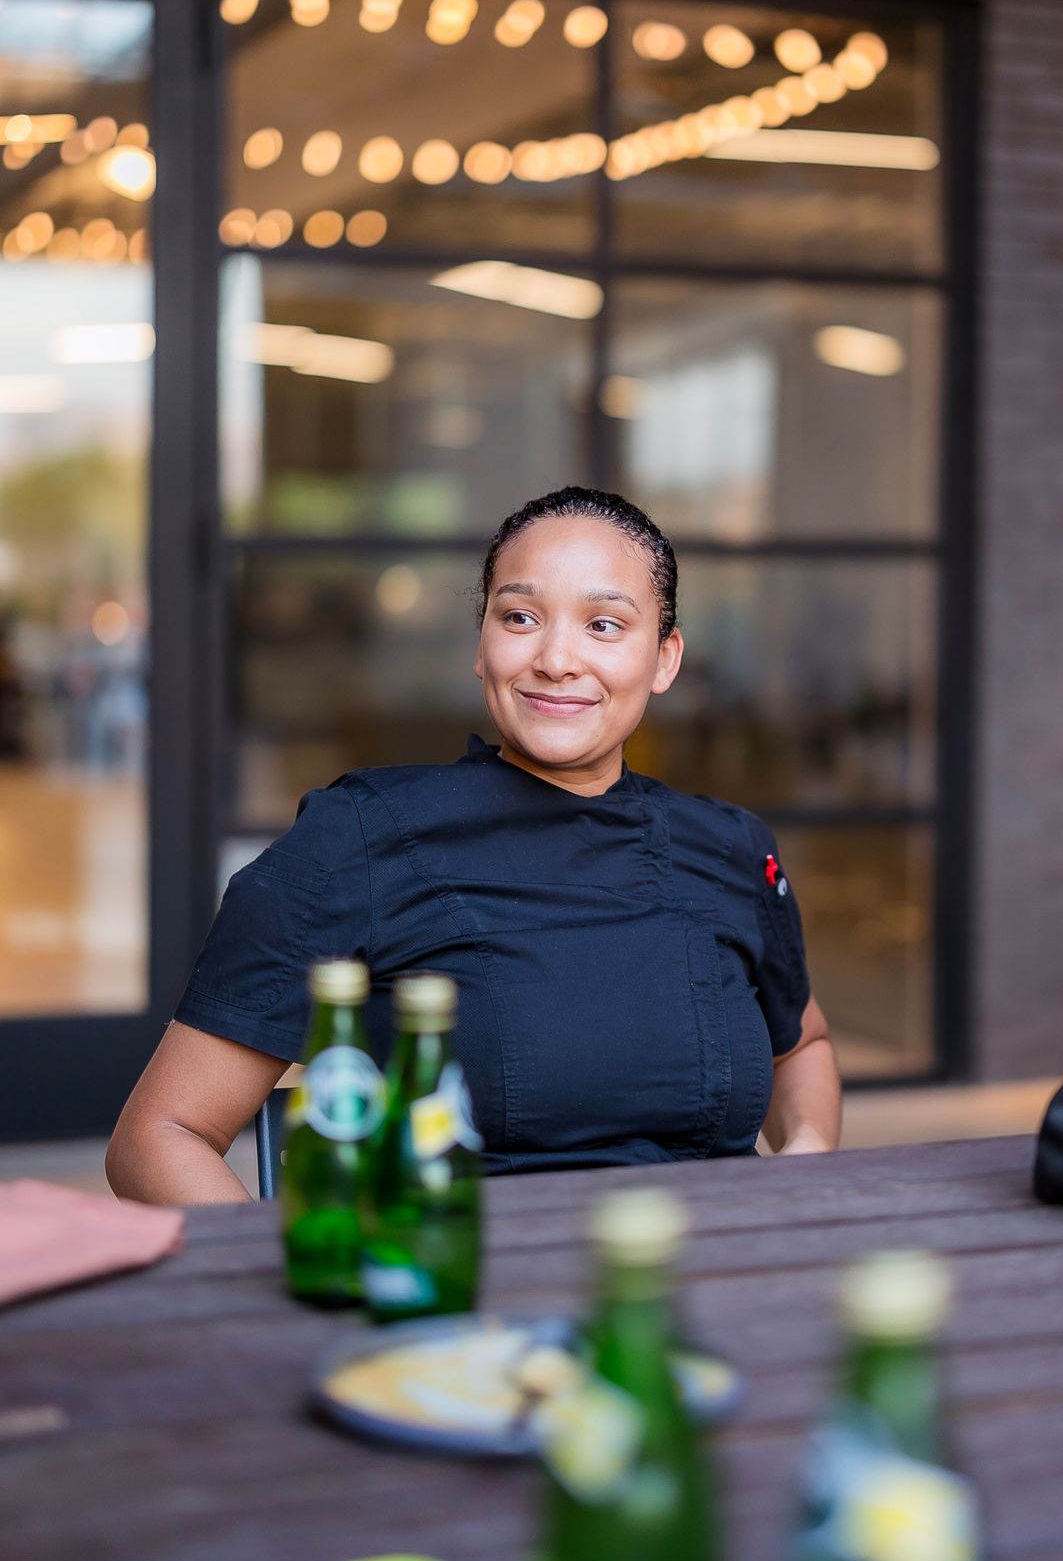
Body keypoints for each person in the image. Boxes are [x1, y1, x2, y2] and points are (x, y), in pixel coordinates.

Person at [106, 488, 842, 1204]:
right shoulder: (358, 837)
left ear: (663, 659)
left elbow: (800, 1044)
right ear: (482, 645)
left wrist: (806, 1154)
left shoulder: (731, 848)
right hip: (464, 1292)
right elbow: (159, 1135)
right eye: (519, 616)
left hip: (720, 1275)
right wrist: (289, 1299)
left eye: (605, 625)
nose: (556, 658)